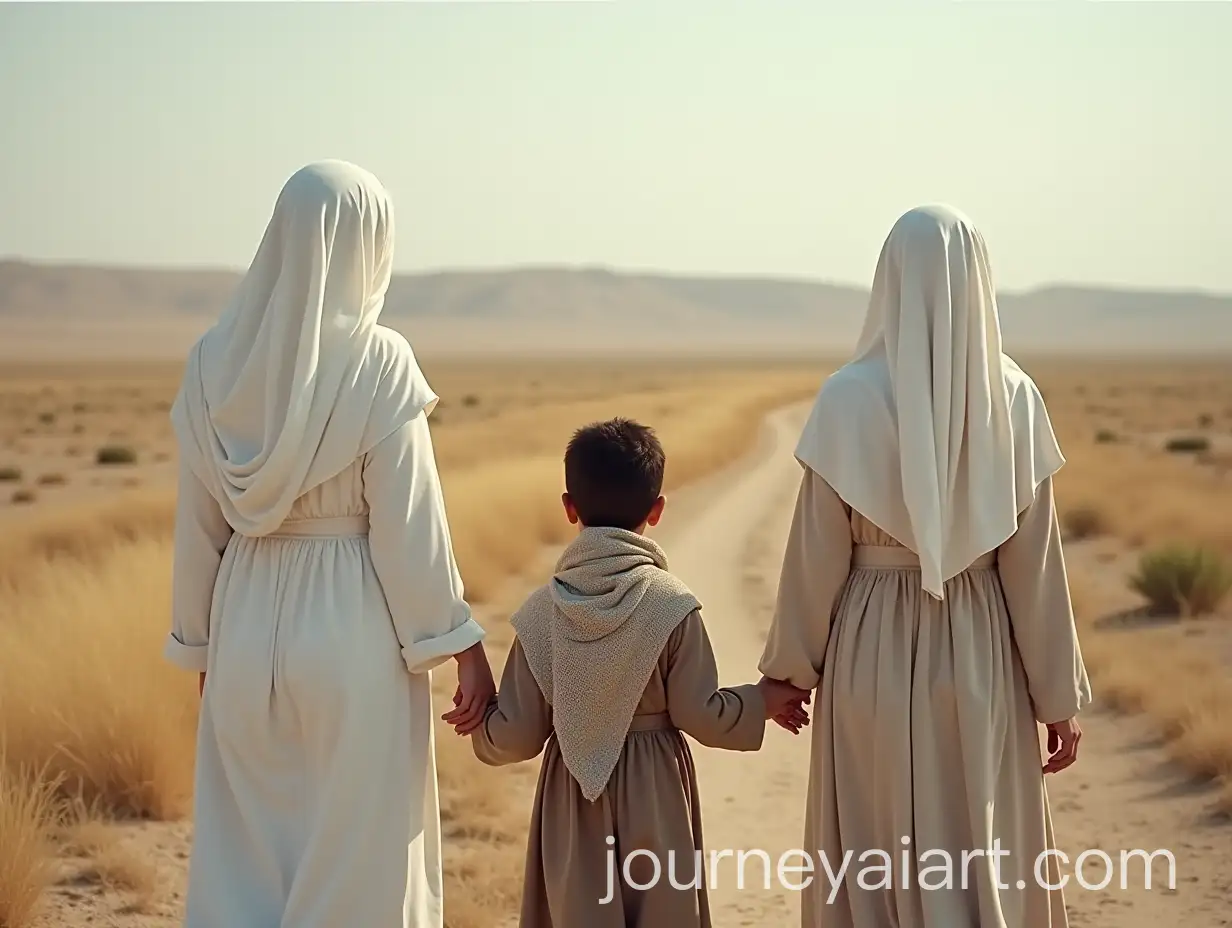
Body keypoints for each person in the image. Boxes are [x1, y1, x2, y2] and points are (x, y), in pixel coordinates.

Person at [163, 160, 494, 928]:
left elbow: (197, 528)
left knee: (244, 858)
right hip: (352, 631)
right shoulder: (379, 359)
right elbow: (409, 524)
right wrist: (460, 646)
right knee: (358, 865)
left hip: (243, 622)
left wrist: (203, 650)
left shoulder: (212, 361)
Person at [758, 204, 1092, 928]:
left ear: (889, 278)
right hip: (980, 645)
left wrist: (787, 672)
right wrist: (1057, 698)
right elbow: (1034, 569)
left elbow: (816, 556)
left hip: (868, 646)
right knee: (980, 835)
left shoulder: (846, 397)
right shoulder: (1015, 397)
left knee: (874, 839)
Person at [454, 417, 809, 928]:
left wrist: (479, 721)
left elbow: (515, 737)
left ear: (569, 507)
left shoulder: (539, 613)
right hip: (656, 793)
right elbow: (701, 715)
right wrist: (763, 699)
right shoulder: (673, 606)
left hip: (572, 800)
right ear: (658, 510)